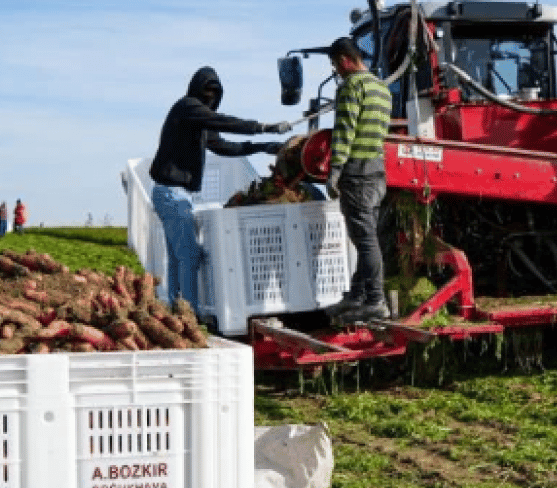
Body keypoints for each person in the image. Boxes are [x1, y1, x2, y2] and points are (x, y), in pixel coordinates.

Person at [149, 66, 291, 313]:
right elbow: (223, 121)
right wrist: (263, 127)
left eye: (214, 93)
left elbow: (224, 147)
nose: (209, 97)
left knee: (178, 257)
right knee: (189, 256)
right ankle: (189, 313)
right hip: (171, 192)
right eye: (207, 91)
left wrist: (262, 146)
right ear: (196, 89)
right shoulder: (188, 107)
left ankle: (177, 309)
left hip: (176, 193)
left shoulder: (200, 121)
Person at [322, 37, 393, 322]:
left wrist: (335, 170)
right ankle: (358, 294)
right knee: (367, 236)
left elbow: (345, 131)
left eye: (335, 65)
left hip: (357, 174)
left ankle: (376, 300)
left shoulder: (352, 86)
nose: (337, 71)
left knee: (365, 240)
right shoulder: (382, 88)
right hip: (377, 172)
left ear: (343, 60)